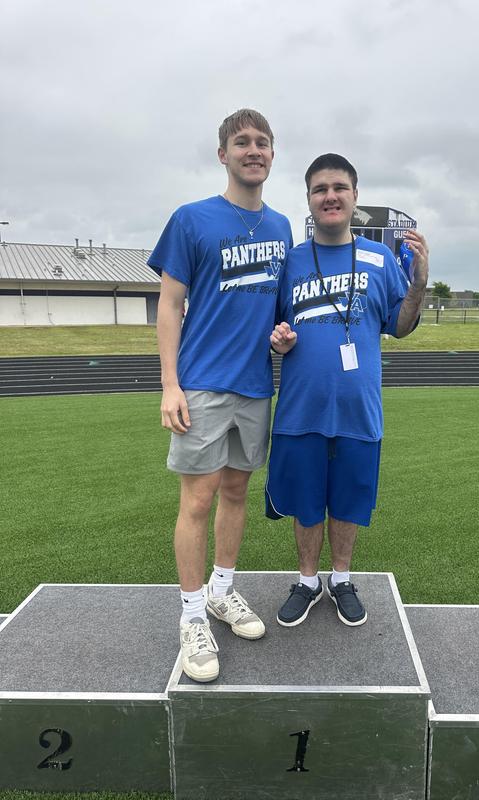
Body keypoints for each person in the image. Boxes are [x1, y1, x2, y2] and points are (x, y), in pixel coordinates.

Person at [148, 109, 293, 682]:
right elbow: (168, 305)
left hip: (256, 385)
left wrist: (282, 337)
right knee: (198, 500)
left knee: (236, 492)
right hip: (202, 383)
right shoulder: (192, 219)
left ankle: (222, 592)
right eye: (241, 142)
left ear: (272, 155)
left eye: (262, 142)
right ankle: (190, 616)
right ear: (223, 154)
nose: (252, 150)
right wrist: (169, 384)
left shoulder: (283, 227)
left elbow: (277, 310)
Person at [266, 153, 429, 627]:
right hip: (301, 409)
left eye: (339, 187)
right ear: (310, 200)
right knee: (306, 501)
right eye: (320, 189)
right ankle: (307, 580)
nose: (330, 196)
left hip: (359, 411)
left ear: (354, 197)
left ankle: (340, 578)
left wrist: (419, 284)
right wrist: (278, 340)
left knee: (349, 499)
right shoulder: (290, 261)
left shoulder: (380, 259)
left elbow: (399, 325)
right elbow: (272, 328)